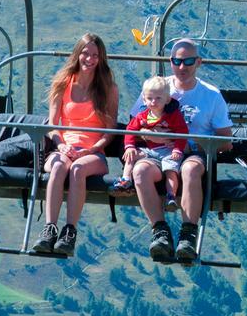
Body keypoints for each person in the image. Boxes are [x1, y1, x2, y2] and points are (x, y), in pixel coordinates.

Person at [131, 38, 232, 262]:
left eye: (188, 61)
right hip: (158, 151)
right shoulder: (157, 88)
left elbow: (226, 141)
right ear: (171, 62)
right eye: (177, 61)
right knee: (140, 172)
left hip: (193, 152)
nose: (182, 67)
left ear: (198, 62)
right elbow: (134, 125)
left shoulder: (211, 95)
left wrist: (189, 140)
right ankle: (160, 231)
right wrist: (149, 137)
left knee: (190, 171)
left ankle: (188, 234)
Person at [30, 33, 119, 257]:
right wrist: (60, 145)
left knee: (78, 170)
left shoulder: (107, 88)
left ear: (101, 58)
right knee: (60, 167)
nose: (89, 59)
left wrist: (92, 148)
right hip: (65, 146)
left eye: (95, 55)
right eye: (85, 54)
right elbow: (53, 124)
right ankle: (49, 228)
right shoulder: (63, 83)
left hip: (92, 152)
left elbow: (110, 131)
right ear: (77, 54)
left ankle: (69, 231)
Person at [113, 75, 188, 210]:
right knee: (131, 155)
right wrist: (130, 147)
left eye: (158, 98)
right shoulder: (142, 116)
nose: (153, 102)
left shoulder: (173, 116)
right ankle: (125, 179)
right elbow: (130, 129)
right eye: (150, 98)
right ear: (144, 99)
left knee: (170, 170)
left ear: (167, 99)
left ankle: (171, 195)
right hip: (151, 151)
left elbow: (183, 132)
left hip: (168, 151)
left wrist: (177, 148)